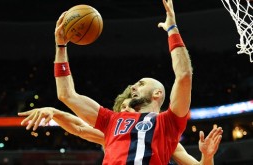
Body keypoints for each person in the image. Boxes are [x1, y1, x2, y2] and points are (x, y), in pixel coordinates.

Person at [53, 0, 192, 164]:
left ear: (157, 93)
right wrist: (60, 45)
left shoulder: (167, 123)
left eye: (141, 84)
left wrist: (172, 29)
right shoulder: (112, 120)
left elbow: (184, 75)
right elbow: (66, 95)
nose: (133, 86)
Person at [18, 99, 223, 165]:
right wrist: (54, 112)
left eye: (128, 107)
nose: (123, 111)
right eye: (121, 108)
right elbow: (79, 127)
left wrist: (207, 156)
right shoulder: (113, 137)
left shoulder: (163, 139)